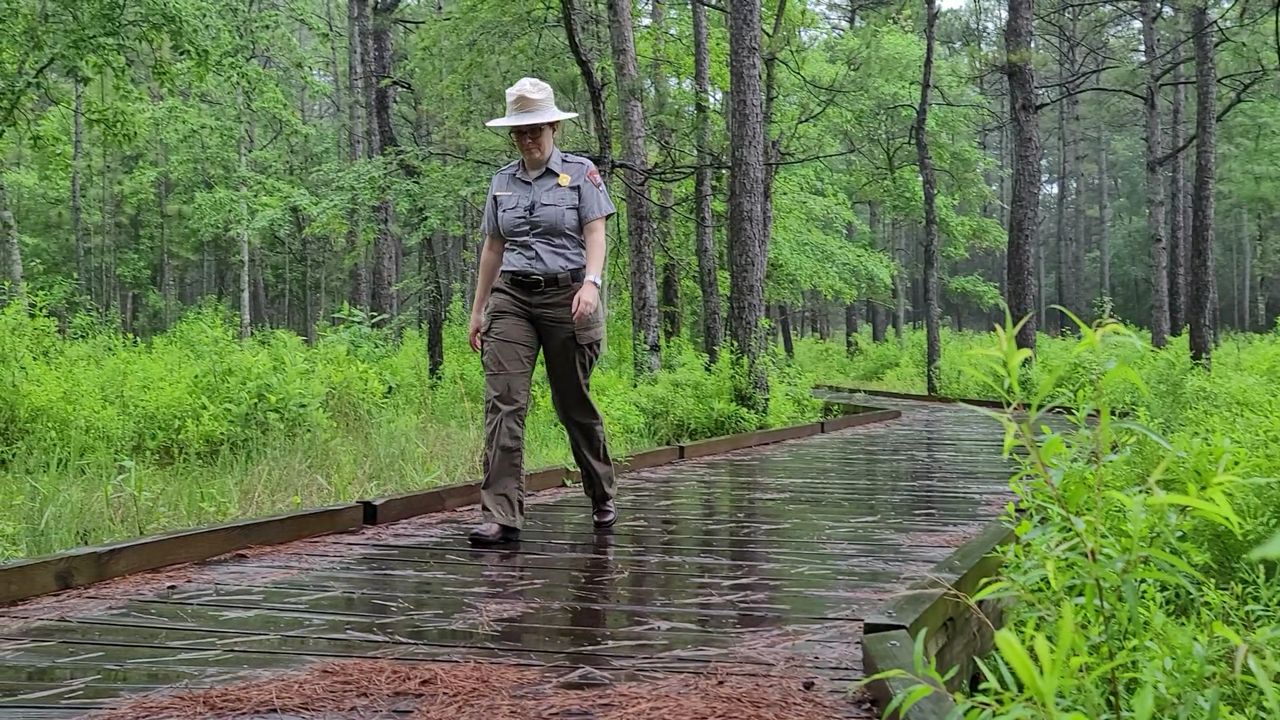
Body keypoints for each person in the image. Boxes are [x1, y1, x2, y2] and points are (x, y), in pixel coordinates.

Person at [467, 77, 618, 545]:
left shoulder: (581, 173)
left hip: (567, 294)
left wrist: (591, 283)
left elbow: (595, 233)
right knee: (505, 402)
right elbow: (493, 247)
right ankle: (501, 513)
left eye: (536, 129)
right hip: (512, 297)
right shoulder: (501, 182)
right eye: (520, 131)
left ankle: (601, 492)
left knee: (572, 403)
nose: (529, 138)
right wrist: (478, 310)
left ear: (553, 126)